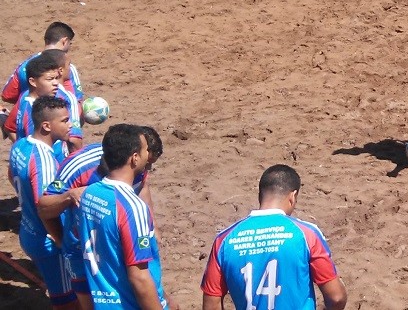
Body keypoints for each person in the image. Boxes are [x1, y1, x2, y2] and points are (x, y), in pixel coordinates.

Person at [39, 126, 165, 310]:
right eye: (147, 160)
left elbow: (142, 185)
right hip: (79, 252)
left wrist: (151, 226)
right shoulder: (79, 167)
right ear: (135, 157)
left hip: (101, 260)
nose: (148, 169)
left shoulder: (92, 192)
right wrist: (60, 238)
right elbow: (43, 206)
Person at [201, 164, 348, 310]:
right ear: (292, 196)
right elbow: (336, 298)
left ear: (260, 195)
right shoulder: (307, 234)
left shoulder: (224, 240)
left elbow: (211, 304)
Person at [77, 124, 171, 309]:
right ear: (134, 158)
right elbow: (139, 278)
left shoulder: (90, 193)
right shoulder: (131, 207)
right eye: (145, 150)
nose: (147, 155)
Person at [8, 96, 78, 309]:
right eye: (65, 120)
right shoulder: (44, 162)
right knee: (68, 303)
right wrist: (59, 240)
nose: (71, 125)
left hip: (28, 230)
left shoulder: (21, 145)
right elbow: (45, 207)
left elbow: (12, 176)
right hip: (47, 241)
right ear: (47, 126)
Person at [4, 53, 81, 160]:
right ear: (33, 82)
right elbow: (38, 149)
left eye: (56, 78)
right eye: (50, 79)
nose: (56, 83)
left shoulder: (25, 98)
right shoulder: (34, 111)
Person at [2, 21, 83, 104]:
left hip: (29, 114)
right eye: (70, 43)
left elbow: (7, 96)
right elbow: (76, 101)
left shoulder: (25, 65)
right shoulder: (66, 68)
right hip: (55, 115)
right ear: (65, 41)